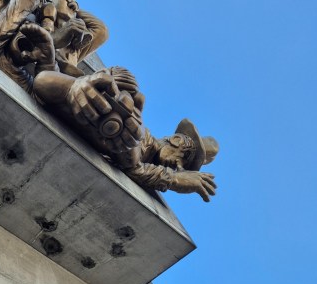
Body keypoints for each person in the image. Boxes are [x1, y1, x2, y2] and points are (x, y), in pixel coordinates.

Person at [32, 67, 218, 200]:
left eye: (184, 167)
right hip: (64, 95)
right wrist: (174, 179)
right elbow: (134, 167)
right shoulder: (143, 137)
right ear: (177, 140)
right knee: (129, 133)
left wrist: (173, 178)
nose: (179, 166)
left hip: (78, 114)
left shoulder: (140, 149)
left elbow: (134, 166)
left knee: (127, 138)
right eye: (184, 157)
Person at [40, 0, 108, 74]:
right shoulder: (47, 10)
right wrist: (63, 32)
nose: (72, 5)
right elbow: (42, 40)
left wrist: (76, 10)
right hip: (46, 69)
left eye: (74, 3)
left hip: (65, 76)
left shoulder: (74, 44)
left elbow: (101, 31)